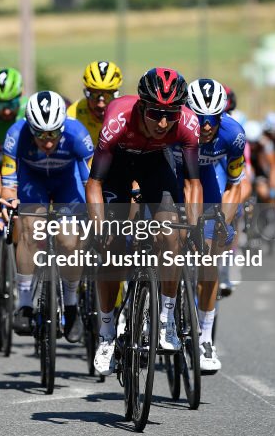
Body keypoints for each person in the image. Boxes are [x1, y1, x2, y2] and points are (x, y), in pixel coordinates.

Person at [88, 68, 202, 376]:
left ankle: (165, 322)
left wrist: (191, 226)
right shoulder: (116, 121)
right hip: (118, 165)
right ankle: (107, 332)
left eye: (171, 114)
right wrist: (100, 228)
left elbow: (192, 184)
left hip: (156, 164)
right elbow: (95, 183)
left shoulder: (188, 124)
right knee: (112, 250)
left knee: (171, 236)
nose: (164, 122)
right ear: (141, 106)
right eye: (156, 113)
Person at [3, 91, 93, 347]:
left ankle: (72, 303)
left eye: (53, 133)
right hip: (34, 181)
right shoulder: (16, 135)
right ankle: (24, 304)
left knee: (68, 241)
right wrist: (9, 205)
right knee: (31, 229)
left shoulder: (78, 135)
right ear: (29, 127)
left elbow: (92, 183)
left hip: (67, 182)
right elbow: (8, 187)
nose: (48, 141)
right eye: (40, 134)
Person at [177, 78, 246, 372]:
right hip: (174, 176)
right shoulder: (175, 126)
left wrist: (222, 222)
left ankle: (205, 337)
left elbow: (234, 186)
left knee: (210, 257)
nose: (205, 126)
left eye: (212, 119)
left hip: (206, 181)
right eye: (199, 118)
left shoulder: (234, 135)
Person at [67, 60, 123, 147]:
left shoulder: (125, 114)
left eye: (107, 96)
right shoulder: (73, 114)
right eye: (94, 95)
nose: (101, 104)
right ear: (86, 93)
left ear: (116, 95)